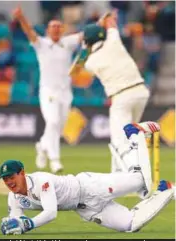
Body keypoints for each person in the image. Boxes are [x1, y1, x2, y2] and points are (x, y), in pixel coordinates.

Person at [0, 121, 173, 235]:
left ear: (22, 173)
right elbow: (16, 216)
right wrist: (12, 224)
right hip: (86, 208)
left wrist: (27, 224)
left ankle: (134, 133)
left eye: (11, 177)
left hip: (90, 187)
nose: (9, 182)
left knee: (141, 181)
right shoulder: (14, 197)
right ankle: (164, 190)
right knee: (130, 225)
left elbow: (51, 212)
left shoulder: (41, 181)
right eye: (5, 179)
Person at [70, 12, 150, 173]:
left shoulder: (91, 61)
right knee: (131, 136)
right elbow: (112, 22)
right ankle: (127, 173)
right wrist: (103, 23)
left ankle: (126, 174)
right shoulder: (114, 41)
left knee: (119, 141)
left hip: (122, 97)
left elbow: (75, 70)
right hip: (141, 92)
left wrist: (86, 44)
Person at [12, 7, 83, 173]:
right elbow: (29, 32)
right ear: (48, 30)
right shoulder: (41, 44)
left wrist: (104, 22)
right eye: (53, 26)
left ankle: (42, 146)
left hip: (66, 93)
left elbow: (86, 35)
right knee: (52, 122)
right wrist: (22, 17)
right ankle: (55, 160)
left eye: (59, 26)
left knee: (57, 128)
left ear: (63, 29)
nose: (56, 29)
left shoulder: (68, 42)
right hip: (48, 91)